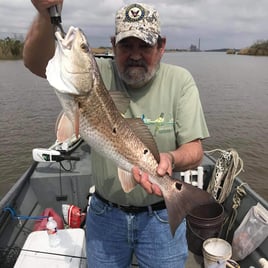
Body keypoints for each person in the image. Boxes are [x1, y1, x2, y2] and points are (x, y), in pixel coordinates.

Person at [23, 1, 209, 267]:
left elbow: (195, 151)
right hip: (105, 215)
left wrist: (169, 158)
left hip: (159, 217)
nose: (135, 54)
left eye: (144, 45)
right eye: (126, 46)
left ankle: (176, 197)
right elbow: (35, 63)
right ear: (113, 45)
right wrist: (44, 14)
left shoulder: (180, 81)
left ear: (161, 46)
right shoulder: (99, 72)